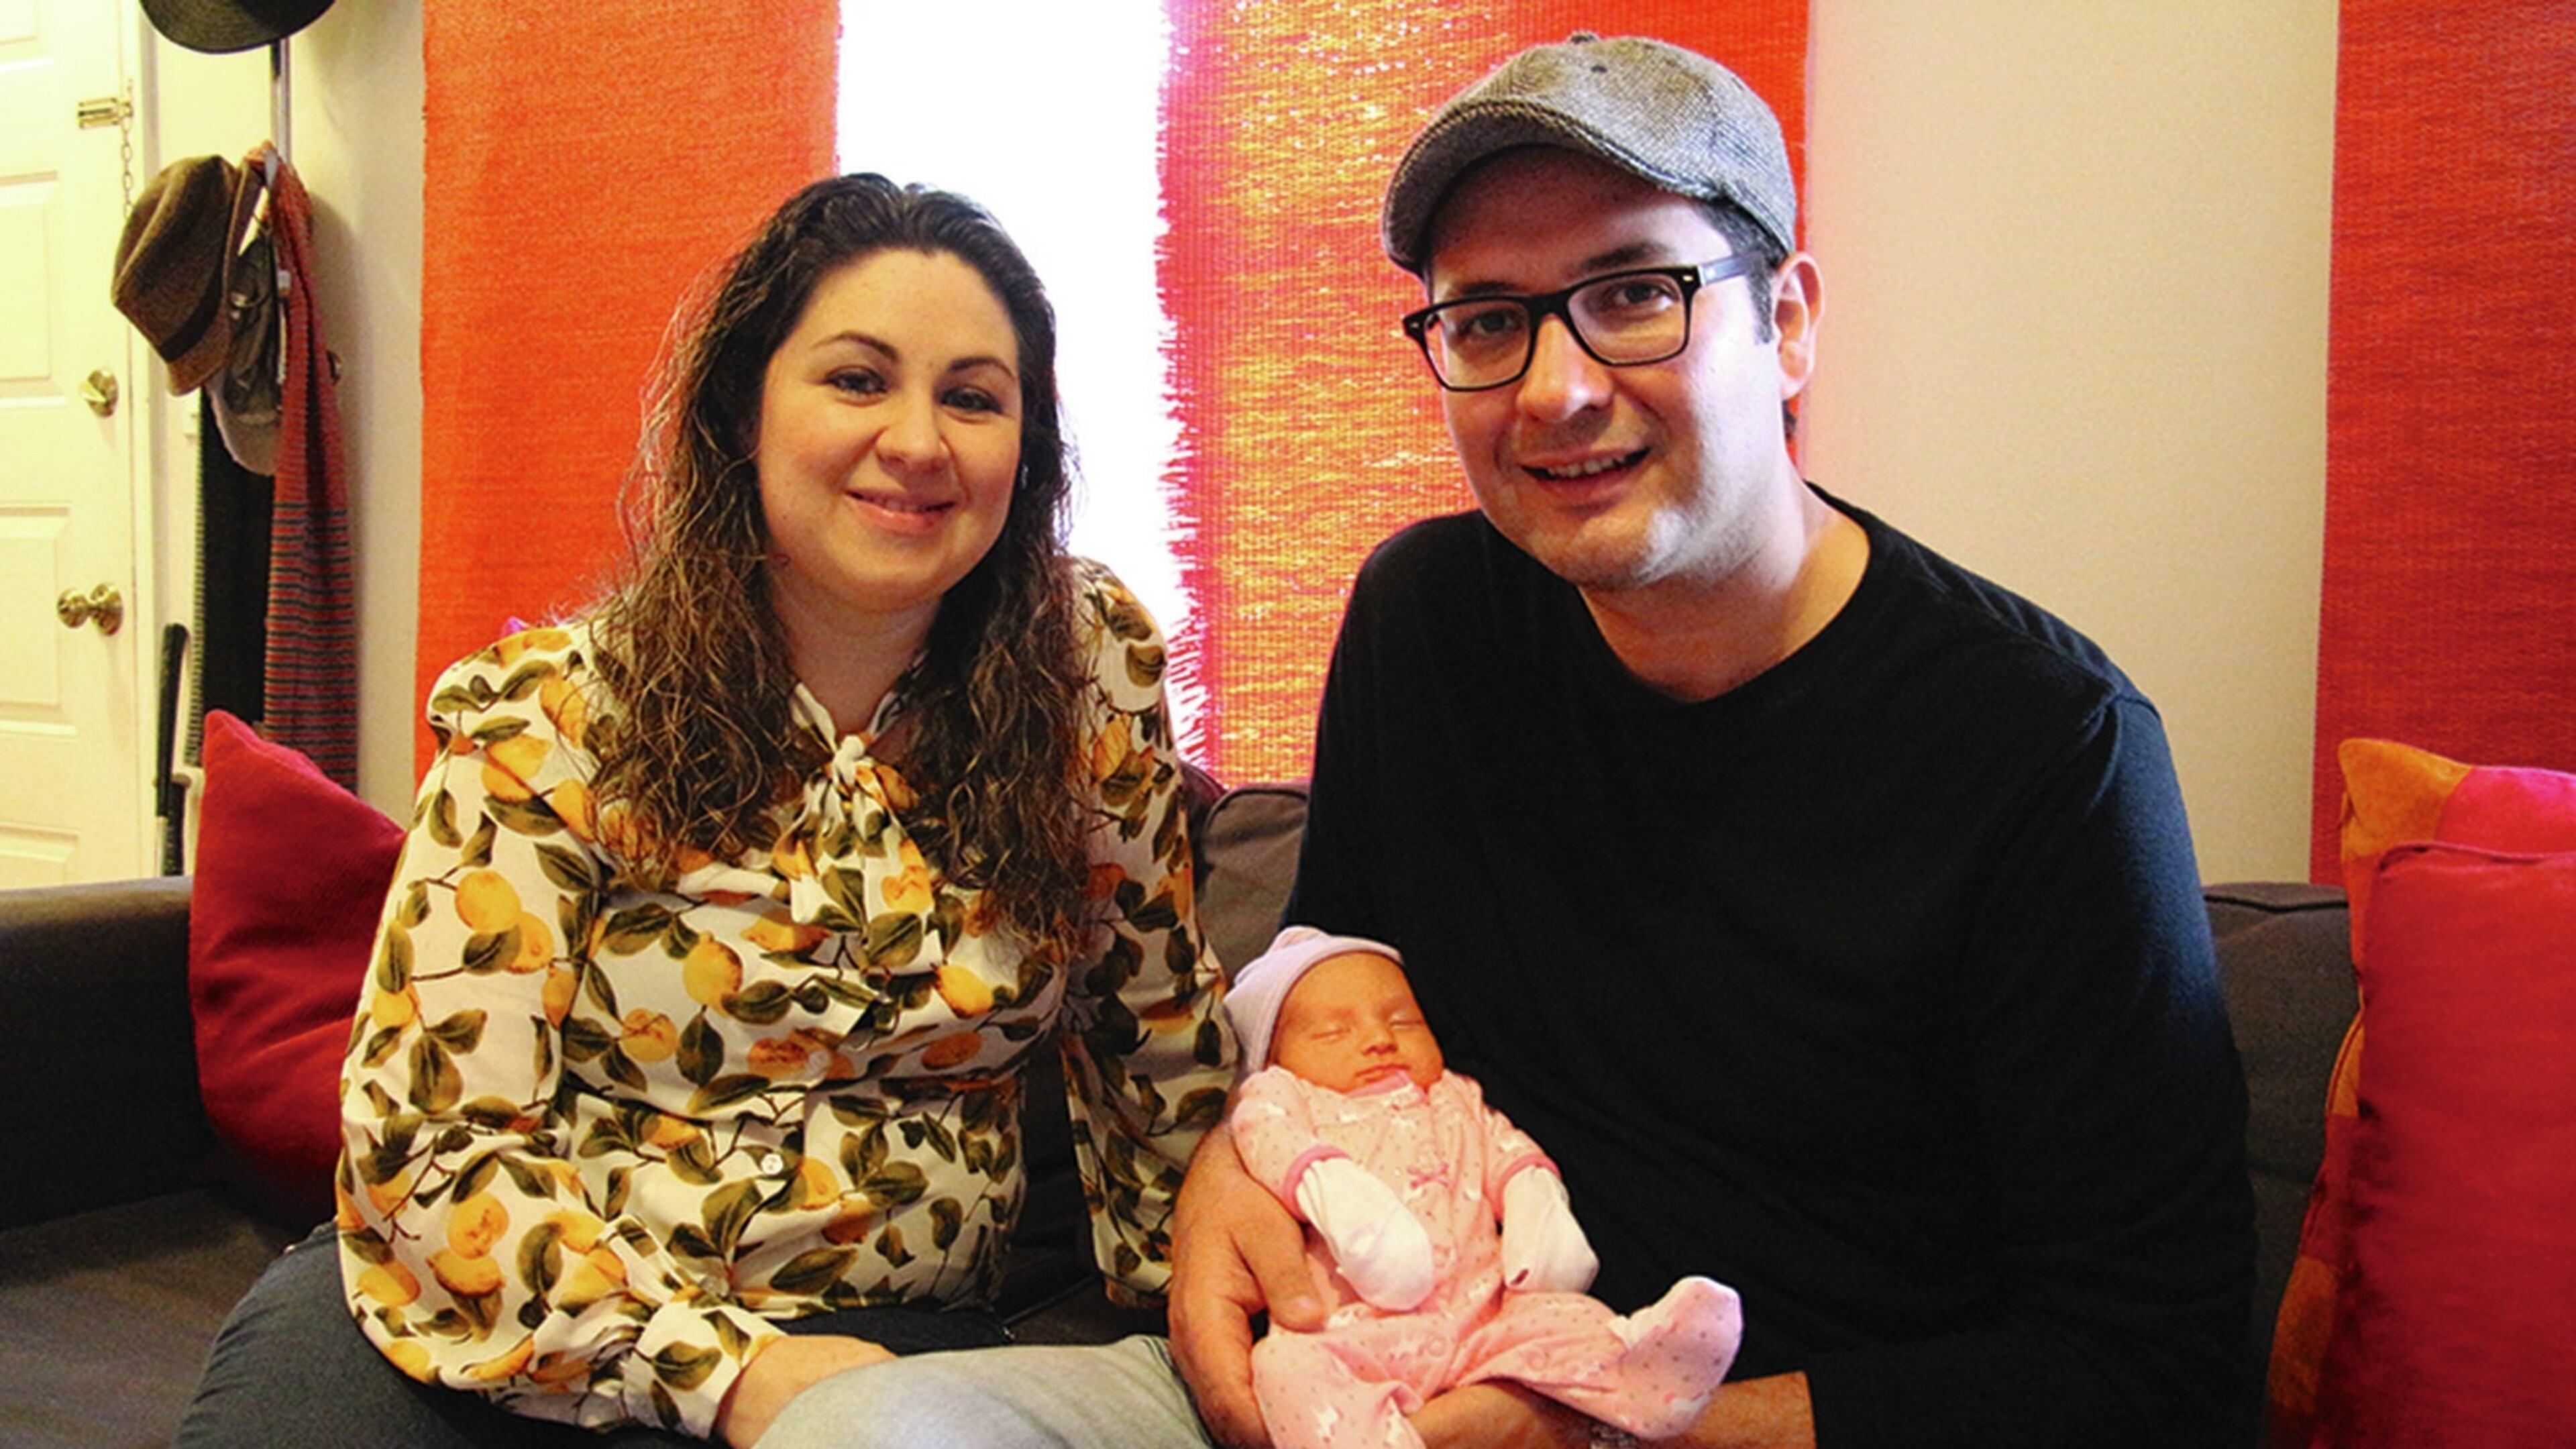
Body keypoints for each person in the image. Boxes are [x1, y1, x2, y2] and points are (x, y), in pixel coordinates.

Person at [1168, 32, 2257, 1449]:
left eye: (1633, 294)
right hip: (1385, 1386)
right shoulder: (1428, 621)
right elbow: (1330, 1014)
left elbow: (2154, 1368)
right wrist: (1223, 1190)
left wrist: (1601, 1427)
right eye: (1489, 319)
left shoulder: (2050, 752)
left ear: (1788, 321)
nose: (1555, 388)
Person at [174, 173, 1234, 1448]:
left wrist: (1245, 1320)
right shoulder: (552, 716)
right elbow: (427, 1148)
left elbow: (1156, 1041)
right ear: (743, 409)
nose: (918, 439)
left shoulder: (1086, 671)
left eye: (972, 395)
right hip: (512, 1312)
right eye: (857, 380)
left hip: (877, 1340)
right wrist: (722, 1376)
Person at [1224, 926, 1738, 1449]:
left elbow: (1508, 1154)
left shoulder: (1454, 1096)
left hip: (1485, 1312)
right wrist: (1334, 1190)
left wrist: (1537, 1209)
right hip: (1357, 1326)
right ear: (1274, 1059)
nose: (1380, 1040)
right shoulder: (1289, 1096)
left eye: (1404, 1021)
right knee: (1288, 1365)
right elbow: (1269, 1137)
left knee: (1563, 1320)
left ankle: (1646, 1371)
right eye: (1334, 1033)